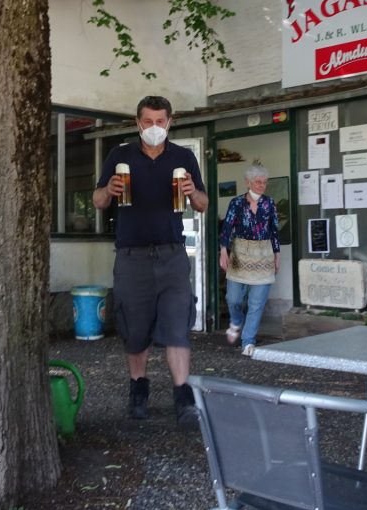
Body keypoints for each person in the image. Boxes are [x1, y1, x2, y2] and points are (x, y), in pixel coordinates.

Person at [93, 95, 208, 429]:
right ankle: (138, 390)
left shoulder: (183, 157)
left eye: (160, 121)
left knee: (177, 326)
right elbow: (98, 200)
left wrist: (191, 191)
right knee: (135, 326)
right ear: (137, 122)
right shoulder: (120, 155)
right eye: (147, 121)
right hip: (132, 255)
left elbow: (202, 203)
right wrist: (109, 190)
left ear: (170, 122)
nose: (154, 128)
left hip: (172, 253)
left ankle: (183, 397)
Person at [218, 164, 280, 357]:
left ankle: (248, 341)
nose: (262, 185)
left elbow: (274, 231)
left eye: (264, 182)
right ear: (248, 183)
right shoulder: (236, 203)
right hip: (240, 254)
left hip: (264, 254)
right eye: (258, 182)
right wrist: (223, 251)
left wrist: (277, 256)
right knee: (233, 298)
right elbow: (227, 228)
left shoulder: (269, 203)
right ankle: (237, 320)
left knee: (256, 303)